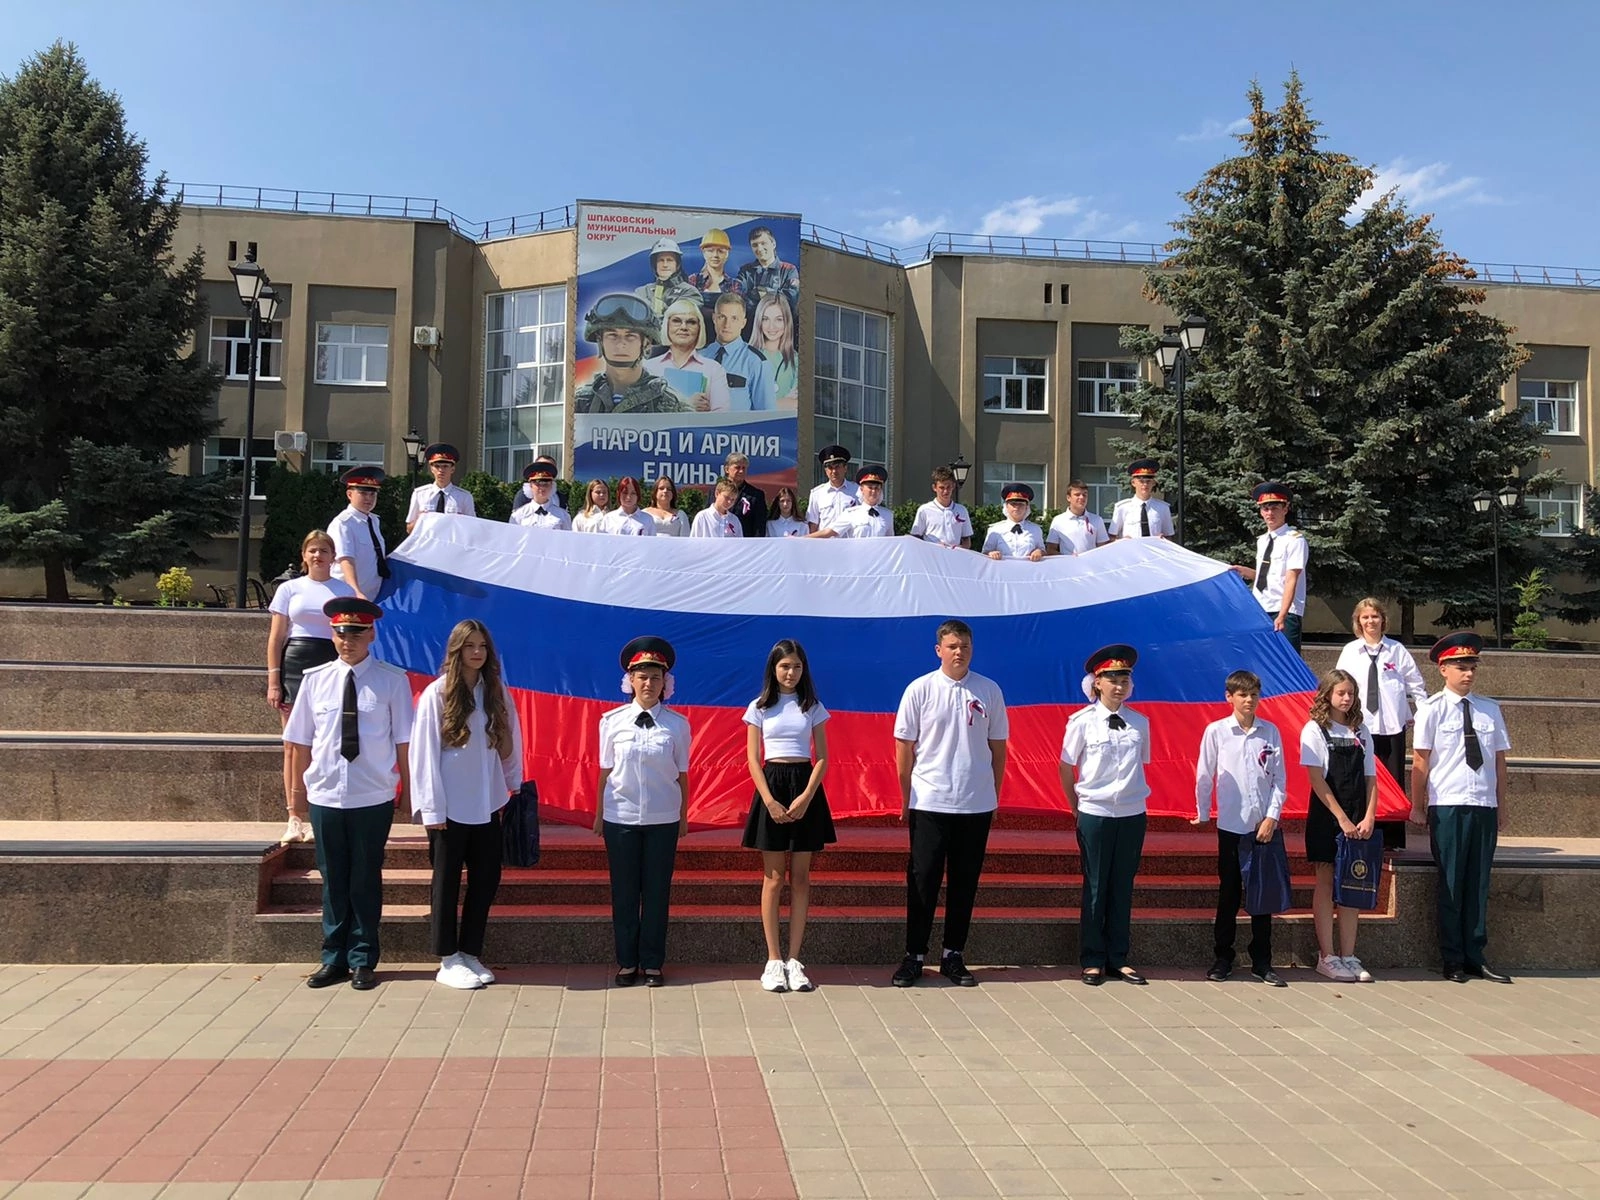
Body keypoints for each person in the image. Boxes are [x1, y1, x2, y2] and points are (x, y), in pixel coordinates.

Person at [283, 597, 413, 992]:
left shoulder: (392, 680)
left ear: (371, 634)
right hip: (325, 793)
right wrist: (295, 801)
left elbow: (403, 741)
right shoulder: (315, 679)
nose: (347, 641)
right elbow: (299, 742)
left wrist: (408, 792)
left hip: (372, 795)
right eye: (341, 633)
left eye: (356, 634)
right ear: (332, 634)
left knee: (365, 877)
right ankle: (333, 957)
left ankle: (363, 957)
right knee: (332, 877)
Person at [891, 619, 1009, 988]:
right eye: (953, 646)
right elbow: (904, 747)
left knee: (964, 881)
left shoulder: (988, 690)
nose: (960, 652)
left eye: (965, 646)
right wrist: (906, 796)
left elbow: (998, 748)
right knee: (923, 879)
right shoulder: (920, 689)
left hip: (975, 802)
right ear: (939, 650)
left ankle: (953, 955)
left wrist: (993, 793)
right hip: (930, 799)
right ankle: (914, 955)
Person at [409, 619, 521, 991]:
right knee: (446, 881)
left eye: (482, 646)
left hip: (486, 801)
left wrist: (513, 784)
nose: (476, 652)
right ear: (456, 650)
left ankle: (470, 952)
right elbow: (423, 752)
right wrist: (431, 808)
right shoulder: (437, 693)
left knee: (486, 879)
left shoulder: (495, 691)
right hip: (449, 805)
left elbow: (512, 740)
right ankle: (447, 958)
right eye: (469, 645)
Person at [1410, 632, 1511, 984]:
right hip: (1449, 803)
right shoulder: (1432, 709)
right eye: (1461, 667)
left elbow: (1499, 762)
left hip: (1483, 803)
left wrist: (1501, 804)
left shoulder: (1490, 709)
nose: (1468, 674)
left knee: (1478, 882)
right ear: (1443, 669)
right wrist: (1417, 805)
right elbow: (1421, 761)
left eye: (1472, 668)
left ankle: (1475, 956)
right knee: (1452, 882)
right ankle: (1452, 957)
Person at [594, 636, 691, 987]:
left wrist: (683, 816)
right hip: (620, 817)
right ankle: (626, 962)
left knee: (656, 893)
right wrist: (598, 813)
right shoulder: (611, 721)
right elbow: (605, 770)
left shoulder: (678, 725)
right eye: (642, 677)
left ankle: (652, 963)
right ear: (630, 681)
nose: (649, 684)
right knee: (624, 892)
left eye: (655, 677)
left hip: (663, 818)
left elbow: (682, 774)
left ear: (666, 683)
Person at [742, 639, 835, 994]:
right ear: (773, 668)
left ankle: (795, 961)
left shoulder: (812, 706)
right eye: (784, 666)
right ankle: (773, 960)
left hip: (803, 786)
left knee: (800, 878)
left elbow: (822, 756)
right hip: (772, 785)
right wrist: (768, 800)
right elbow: (753, 758)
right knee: (773, 877)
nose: (790, 673)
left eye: (796, 666)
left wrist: (807, 797)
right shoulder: (759, 707)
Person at [1059, 645, 1150, 987]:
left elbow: (1141, 765)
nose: (1119, 685)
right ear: (1097, 683)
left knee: (1122, 886)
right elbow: (1066, 766)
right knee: (1096, 886)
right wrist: (1076, 805)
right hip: (1095, 811)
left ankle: (1118, 958)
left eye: (1124, 679)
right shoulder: (1081, 722)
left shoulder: (1140, 723)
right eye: (1112, 679)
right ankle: (1093, 958)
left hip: (1132, 812)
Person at [1193, 669, 1288, 986]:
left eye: (1254, 695)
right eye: (1242, 695)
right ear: (1229, 697)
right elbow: (1205, 774)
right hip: (1232, 826)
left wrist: (1272, 816)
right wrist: (1203, 812)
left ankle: (1262, 961)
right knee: (1229, 893)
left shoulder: (1269, 732)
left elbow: (1279, 780)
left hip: (1262, 827)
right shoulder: (1217, 732)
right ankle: (1223, 957)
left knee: (1263, 896)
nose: (1249, 700)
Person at [266, 530, 355, 843]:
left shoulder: (344, 590)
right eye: (313, 550)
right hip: (295, 664)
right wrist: (273, 680)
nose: (318, 556)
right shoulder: (290, 589)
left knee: (324, 743)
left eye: (324, 551)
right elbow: (276, 637)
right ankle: (294, 816)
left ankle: (318, 812)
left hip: (331, 664)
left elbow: (350, 636)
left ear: (333, 557)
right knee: (293, 744)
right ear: (304, 555)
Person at [1300, 668, 1379, 983]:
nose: (1346, 699)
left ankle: (1349, 954)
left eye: (1351, 693)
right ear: (1328, 695)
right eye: (1341, 693)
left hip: (1358, 815)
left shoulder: (1361, 731)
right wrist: (1341, 818)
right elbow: (1316, 779)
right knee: (1325, 881)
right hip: (1327, 816)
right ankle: (1327, 955)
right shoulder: (1315, 730)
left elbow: (1371, 779)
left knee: (1352, 883)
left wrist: (1369, 815)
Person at [1335, 598, 1428, 788]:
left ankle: (1394, 809)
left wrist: (1424, 714)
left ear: (1383, 619)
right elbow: (1338, 686)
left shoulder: (1396, 650)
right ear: (1358, 621)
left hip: (1392, 726)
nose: (1370, 621)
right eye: (1365, 617)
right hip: (1360, 724)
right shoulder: (1350, 651)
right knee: (1361, 779)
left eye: (1375, 616)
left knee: (1393, 782)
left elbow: (1416, 684)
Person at [575, 294, 688, 415]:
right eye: (612, 335)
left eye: (630, 336)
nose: (620, 344)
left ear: (646, 343)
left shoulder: (673, 405)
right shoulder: (579, 402)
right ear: (600, 341)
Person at [1231, 481, 1309, 652]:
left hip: (1284, 610)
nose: (1270, 513)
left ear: (1285, 509)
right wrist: (1244, 571)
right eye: (1265, 509)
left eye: (1275, 508)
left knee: (1287, 660)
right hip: (1261, 608)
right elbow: (1267, 576)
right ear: (1261, 512)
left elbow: (1291, 579)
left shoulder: (1294, 540)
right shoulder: (1262, 540)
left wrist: (1282, 615)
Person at [643, 298, 732, 413]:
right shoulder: (648, 368)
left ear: (699, 328)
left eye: (691, 322)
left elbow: (722, 416)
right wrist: (686, 405)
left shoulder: (714, 369)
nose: (684, 327)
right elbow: (640, 415)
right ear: (667, 326)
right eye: (676, 321)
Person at [328, 466, 389, 602]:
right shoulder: (343, 523)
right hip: (347, 596)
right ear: (349, 494)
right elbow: (345, 560)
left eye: (372, 494)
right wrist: (355, 591)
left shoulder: (374, 521)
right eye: (363, 493)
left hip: (371, 596)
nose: (369, 498)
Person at [706, 292, 772, 412]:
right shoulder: (699, 356)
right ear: (714, 318)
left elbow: (767, 416)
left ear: (743, 323)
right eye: (722, 317)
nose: (727, 325)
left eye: (734, 318)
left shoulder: (756, 362)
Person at [404, 443, 475, 532]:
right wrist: (420, 520)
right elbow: (409, 529)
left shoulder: (464, 497)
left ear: (452, 469)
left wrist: (461, 522)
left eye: (445, 466)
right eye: (437, 466)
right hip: (428, 540)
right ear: (432, 469)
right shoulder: (420, 494)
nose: (441, 470)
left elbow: (473, 528)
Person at [736, 225, 800, 322]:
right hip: (750, 326)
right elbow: (737, 296)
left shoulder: (789, 270)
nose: (759, 248)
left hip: (780, 327)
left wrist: (760, 294)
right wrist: (773, 295)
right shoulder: (745, 271)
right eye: (755, 245)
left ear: (773, 244)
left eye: (763, 243)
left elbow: (790, 299)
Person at [749, 294, 799, 410]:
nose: (772, 326)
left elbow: (797, 404)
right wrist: (783, 402)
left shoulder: (796, 360)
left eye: (779, 319)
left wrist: (758, 406)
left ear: (787, 322)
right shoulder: (747, 356)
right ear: (759, 321)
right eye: (765, 319)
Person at [815, 465, 893, 538]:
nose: (873, 491)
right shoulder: (851, 514)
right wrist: (807, 539)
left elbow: (891, 541)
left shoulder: (887, 515)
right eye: (870, 488)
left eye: (877, 488)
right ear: (862, 489)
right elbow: (829, 532)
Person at [634, 237, 700, 320]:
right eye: (661, 260)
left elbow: (678, 320)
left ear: (677, 265)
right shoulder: (642, 291)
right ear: (654, 265)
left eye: (669, 260)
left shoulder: (690, 292)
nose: (665, 265)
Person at [1108, 459, 1174, 540]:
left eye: (1148, 481)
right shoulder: (1122, 508)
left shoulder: (1163, 508)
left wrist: (1164, 539)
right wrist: (1123, 541)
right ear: (1133, 483)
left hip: (1153, 548)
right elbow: (1112, 536)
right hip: (1131, 548)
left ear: (1153, 483)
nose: (1145, 484)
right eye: (1141, 481)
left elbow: (1169, 536)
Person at [909, 465, 972, 549]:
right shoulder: (924, 510)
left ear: (953, 486)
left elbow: (967, 539)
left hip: (954, 555)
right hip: (931, 555)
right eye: (942, 488)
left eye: (948, 487)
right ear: (934, 488)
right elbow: (916, 538)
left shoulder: (962, 510)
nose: (945, 491)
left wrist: (960, 547)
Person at [689, 230, 743, 328]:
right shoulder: (694, 280)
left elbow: (736, 314)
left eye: (720, 251)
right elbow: (688, 311)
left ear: (727, 254)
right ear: (703, 253)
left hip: (725, 332)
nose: (715, 255)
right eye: (710, 251)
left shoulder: (735, 285)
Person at [982, 483, 1045, 560]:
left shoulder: (1036, 530)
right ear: (1006, 506)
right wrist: (991, 553)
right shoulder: (995, 530)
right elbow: (984, 554)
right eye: (1013, 504)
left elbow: (1043, 551)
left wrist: (1039, 552)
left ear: (1027, 507)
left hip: (1028, 568)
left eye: (1021, 504)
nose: (1017, 507)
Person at [1046, 480, 1110, 556]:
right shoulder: (1058, 521)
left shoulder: (1097, 520)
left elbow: (1103, 548)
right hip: (1068, 563)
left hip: (1091, 563)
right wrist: (1066, 557)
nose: (1082, 497)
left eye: (1084, 495)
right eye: (1077, 494)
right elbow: (1050, 550)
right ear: (1068, 498)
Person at [806, 445, 859, 534]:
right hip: (825, 542)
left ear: (845, 468)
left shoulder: (857, 491)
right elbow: (813, 525)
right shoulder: (817, 494)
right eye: (830, 468)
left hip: (849, 541)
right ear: (825, 470)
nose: (834, 471)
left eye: (837, 466)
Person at [508, 460, 572, 530]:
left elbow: (567, 536)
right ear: (530, 486)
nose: (542, 488)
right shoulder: (519, 515)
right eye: (538, 484)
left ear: (552, 486)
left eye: (546, 484)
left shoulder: (563, 516)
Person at [724, 453, 768, 538]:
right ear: (727, 469)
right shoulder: (715, 491)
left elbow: (759, 528)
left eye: (744, 468)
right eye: (737, 467)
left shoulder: (756, 495)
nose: (741, 471)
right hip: (719, 543)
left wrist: (756, 545)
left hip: (745, 543)